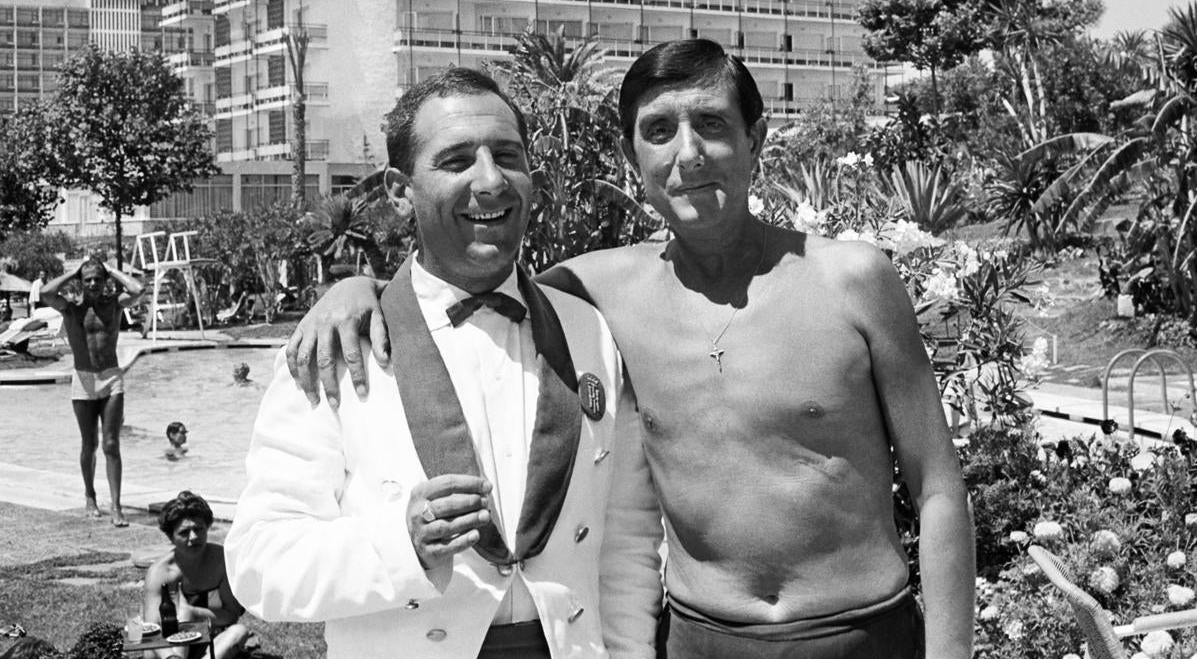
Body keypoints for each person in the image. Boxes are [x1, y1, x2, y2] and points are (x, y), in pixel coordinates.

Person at [290, 39, 975, 659]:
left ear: (754, 139)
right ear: (630, 157)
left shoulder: (851, 280)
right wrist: (359, 287)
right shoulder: (597, 292)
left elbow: (938, 488)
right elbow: (459, 285)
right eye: (658, 131)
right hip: (698, 641)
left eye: (710, 123)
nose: (688, 154)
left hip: (860, 632)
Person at [225, 68, 643, 659]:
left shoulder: (587, 330)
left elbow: (623, 545)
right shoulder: (338, 349)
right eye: (456, 161)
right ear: (400, 190)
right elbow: (256, 564)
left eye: (507, 155)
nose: (491, 180)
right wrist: (402, 544)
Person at [40, 256, 143, 527]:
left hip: (111, 377)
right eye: (88, 280)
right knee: (90, 444)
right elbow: (45, 293)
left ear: (105, 280)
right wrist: (73, 273)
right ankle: (90, 495)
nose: (94, 283)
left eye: (98, 279)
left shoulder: (114, 304)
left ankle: (117, 506)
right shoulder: (72, 309)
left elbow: (138, 291)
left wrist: (113, 271)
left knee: (111, 445)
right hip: (83, 378)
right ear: (81, 282)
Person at [144, 491, 251, 659]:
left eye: (199, 529)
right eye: (184, 532)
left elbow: (231, 615)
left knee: (239, 632)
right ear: (171, 538)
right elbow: (151, 630)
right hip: (167, 647)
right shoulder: (160, 572)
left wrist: (193, 612)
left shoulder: (220, 561)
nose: (193, 537)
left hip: (206, 640)